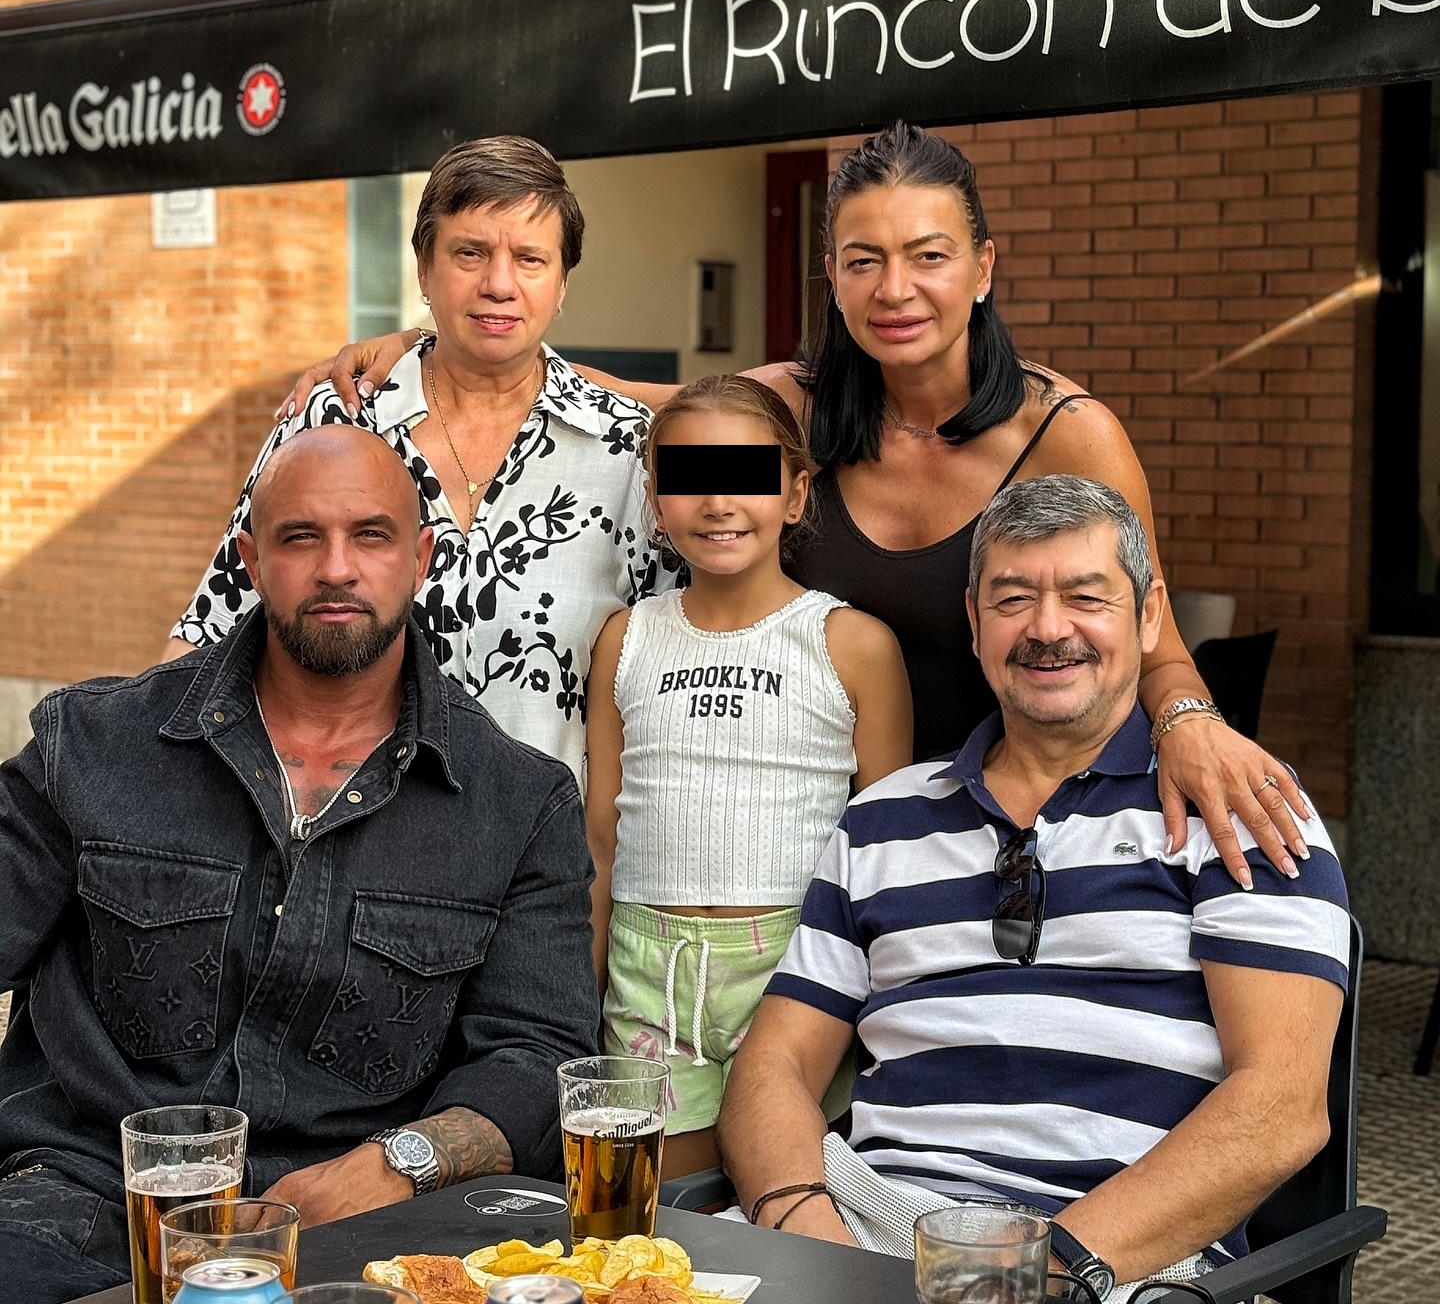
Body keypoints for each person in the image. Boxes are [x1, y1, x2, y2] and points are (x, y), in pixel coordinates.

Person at [287, 120, 1307, 890]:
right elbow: (615, 399)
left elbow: (1150, 636)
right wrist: (429, 350)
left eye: (929, 255)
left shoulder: (1067, 434)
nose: (895, 288)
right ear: (832, 276)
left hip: (1019, 820)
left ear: (983, 268)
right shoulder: (793, 411)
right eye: (864, 260)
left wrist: (1192, 723)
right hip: (811, 848)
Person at [0, 426, 599, 1304]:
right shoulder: (93, 745)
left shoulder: (517, 802)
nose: (336, 569)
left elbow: (538, 1054)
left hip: (353, 1223)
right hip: (84, 1200)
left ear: (421, 559)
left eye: (371, 536)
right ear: (251, 560)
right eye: (300, 537)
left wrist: (398, 1164)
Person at [715, 474, 1349, 1300]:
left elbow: (1282, 1108)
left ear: (1148, 615)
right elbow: (774, 1063)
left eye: (1086, 597)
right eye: (1013, 599)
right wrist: (809, 1235)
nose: (1048, 629)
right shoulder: (880, 821)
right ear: (974, 620)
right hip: (870, 1233)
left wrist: (1028, 1274)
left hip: (1118, 1261)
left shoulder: (1238, 809)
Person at [165, 134, 675, 785]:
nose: (499, 284)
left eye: (530, 259)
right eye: (470, 253)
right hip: (341, 833)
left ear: (562, 284)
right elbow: (211, 632)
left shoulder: (631, 446)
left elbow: (682, 665)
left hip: (546, 840)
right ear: (424, 270)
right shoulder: (335, 417)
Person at [586, 376, 912, 1179]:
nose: (718, 502)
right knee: (661, 1205)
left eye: (746, 475)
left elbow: (890, 857)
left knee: (782, 1192)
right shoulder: (626, 641)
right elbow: (600, 842)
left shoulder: (850, 644)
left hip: (799, 971)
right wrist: (577, 1003)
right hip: (648, 974)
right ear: (655, 503)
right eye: (688, 478)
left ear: (796, 494)